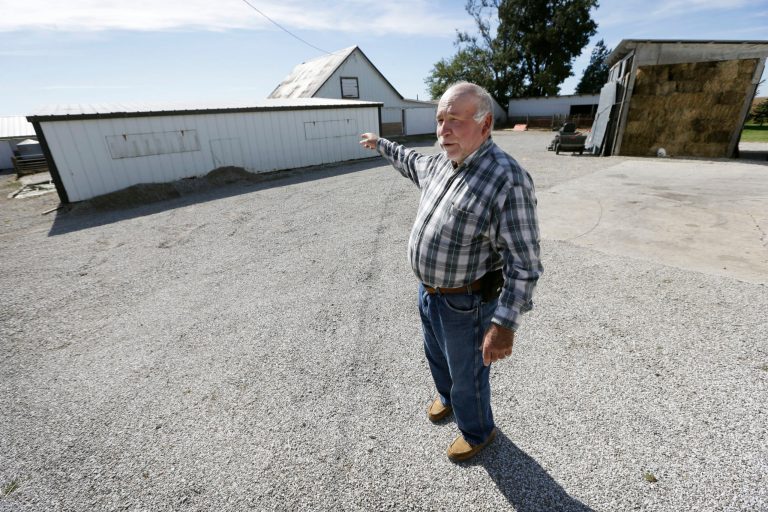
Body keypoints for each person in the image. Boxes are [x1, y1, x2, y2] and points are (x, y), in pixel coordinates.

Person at [359, 82, 542, 462]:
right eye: (440, 119)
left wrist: (504, 325)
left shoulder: (507, 180)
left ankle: (478, 431)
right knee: (436, 357)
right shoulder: (441, 162)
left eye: (455, 120)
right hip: (429, 294)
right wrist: (380, 144)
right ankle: (446, 397)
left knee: (468, 374)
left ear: (485, 124)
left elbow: (524, 263)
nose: (443, 129)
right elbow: (409, 159)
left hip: (466, 304)